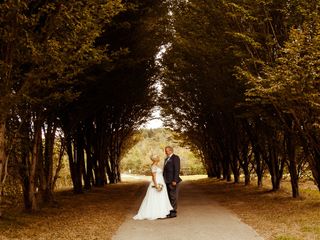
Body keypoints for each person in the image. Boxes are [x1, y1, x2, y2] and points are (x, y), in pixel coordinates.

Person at [133, 155, 173, 220]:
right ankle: (155, 213)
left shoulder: (157, 165)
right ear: (155, 159)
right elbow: (153, 177)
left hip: (161, 181)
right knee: (155, 197)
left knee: (161, 197)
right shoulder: (154, 166)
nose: (159, 158)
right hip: (157, 182)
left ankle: (161, 212)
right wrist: (156, 185)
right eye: (158, 157)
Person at [163, 146, 182, 218]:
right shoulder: (166, 159)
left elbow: (177, 169)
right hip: (167, 181)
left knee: (173, 196)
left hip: (173, 181)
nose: (165, 152)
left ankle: (173, 212)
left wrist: (175, 180)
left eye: (166, 150)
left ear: (171, 150)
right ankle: (169, 211)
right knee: (169, 196)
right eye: (165, 151)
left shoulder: (175, 158)